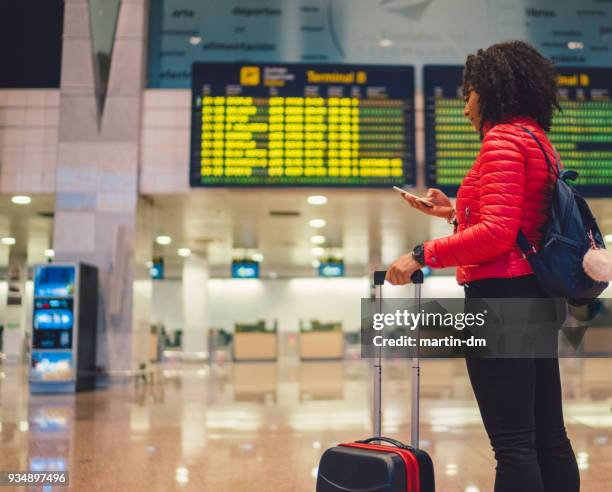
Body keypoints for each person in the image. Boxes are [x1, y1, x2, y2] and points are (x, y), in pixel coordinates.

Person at [385, 41, 580, 492]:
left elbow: (496, 235)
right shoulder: (536, 139)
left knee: (513, 444)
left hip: (502, 301)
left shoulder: (501, 141)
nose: (465, 106)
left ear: (491, 90)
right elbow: (519, 221)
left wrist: (420, 254)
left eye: (469, 93)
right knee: (548, 434)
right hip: (535, 297)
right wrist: (452, 211)